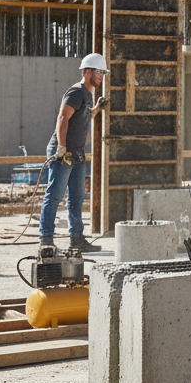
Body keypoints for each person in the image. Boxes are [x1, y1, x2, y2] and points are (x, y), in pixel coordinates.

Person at [37, 52, 110, 253]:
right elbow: (63, 118)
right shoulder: (76, 91)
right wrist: (61, 147)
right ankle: (46, 239)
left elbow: (83, 115)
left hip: (76, 153)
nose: (101, 76)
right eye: (99, 72)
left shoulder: (88, 94)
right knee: (54, 196)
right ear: (87, 72)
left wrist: (97, 108)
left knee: (77, 197)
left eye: (103, 73)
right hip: (64, 152)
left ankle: (76, 239)